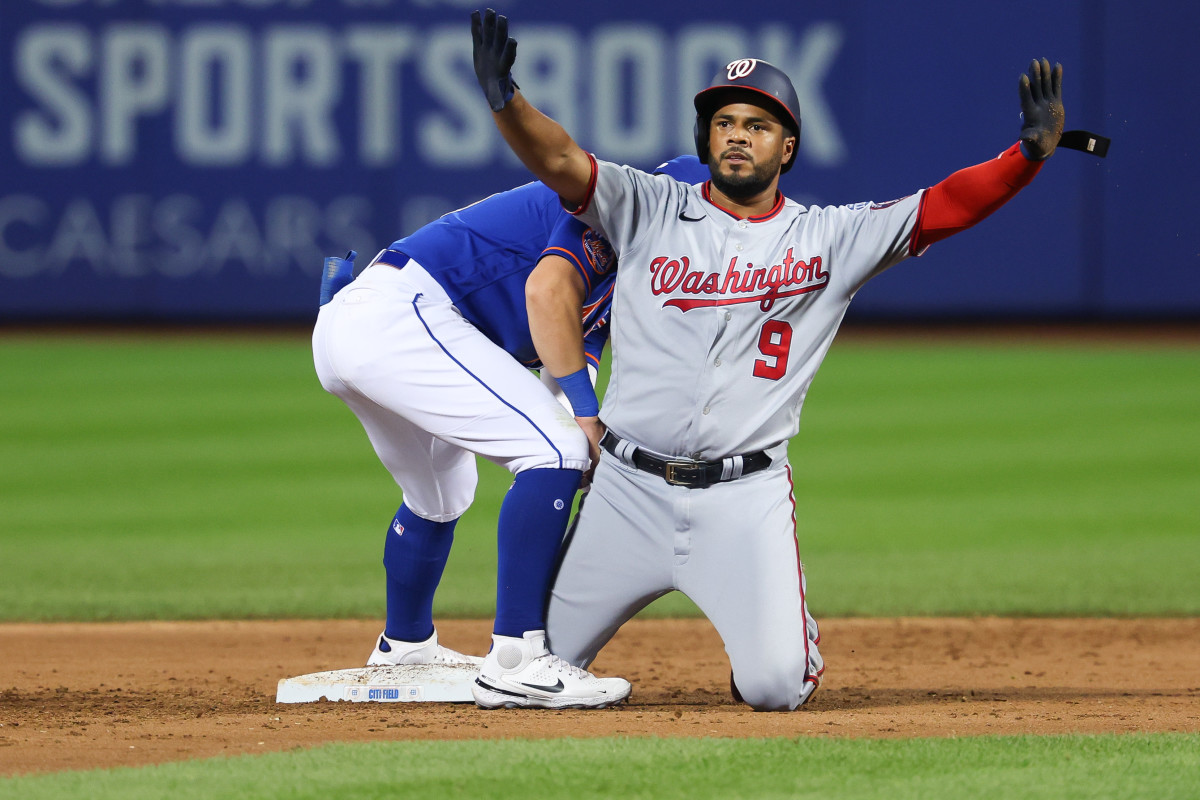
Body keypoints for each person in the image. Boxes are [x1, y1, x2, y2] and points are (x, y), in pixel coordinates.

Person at [471, 8, 1069, 710]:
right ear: (705, 136)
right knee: (532, 670)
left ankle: (786, 629)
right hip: (626, 493)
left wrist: (1025, 157)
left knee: (775, 689)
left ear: (787, 148)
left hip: (742, 498)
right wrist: (505, 101)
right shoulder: (646, 204)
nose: (737, 137)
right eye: (724, 122)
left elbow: (942, 206)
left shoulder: (830, 237)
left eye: (757, 126)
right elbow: (560, 159)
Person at [312, 157, 708, 709]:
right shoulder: (604, 210)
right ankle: (517, 657)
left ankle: (404, 646)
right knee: (558, 451)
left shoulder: (635, 257)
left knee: (442, 495)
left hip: (371, 324)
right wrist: (579, 432)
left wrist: (580, 420)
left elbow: (575, 345)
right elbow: (546, 296)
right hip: (401, 316)